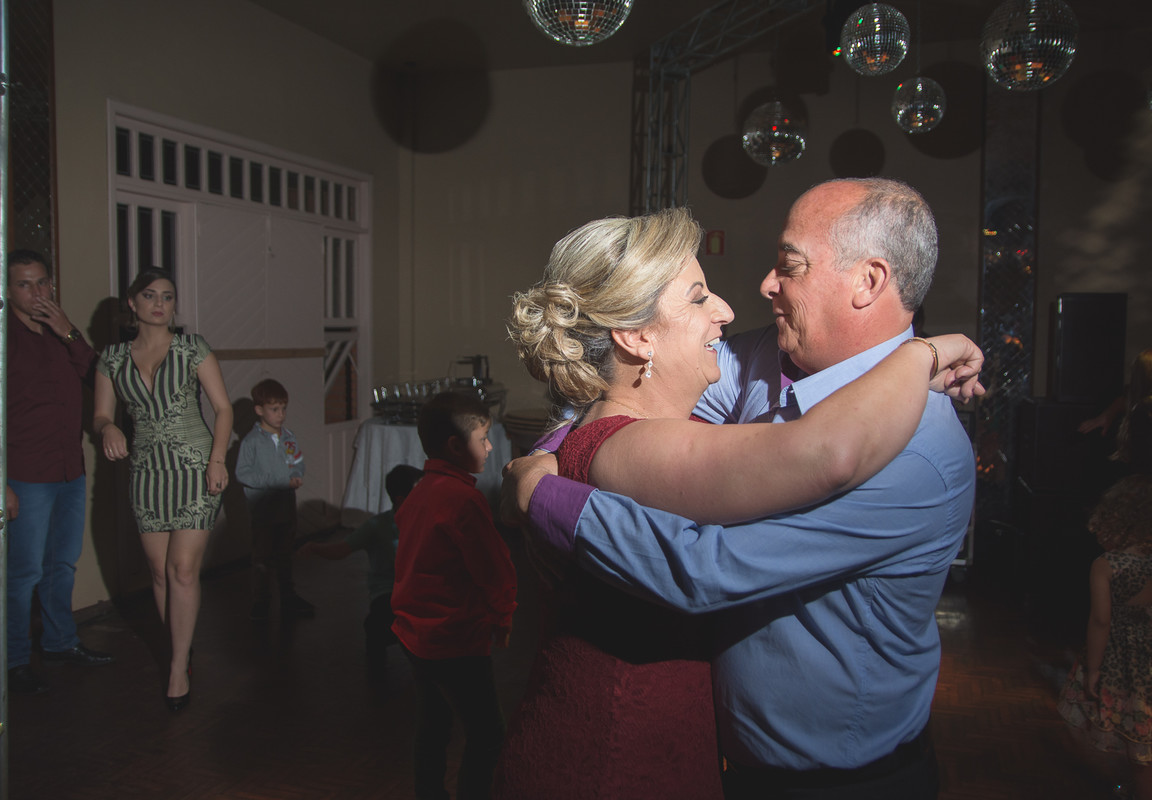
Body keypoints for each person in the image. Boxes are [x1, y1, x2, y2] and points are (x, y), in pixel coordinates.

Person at [504, 178, 980, 800]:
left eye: (790, 265)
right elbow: (623, 386)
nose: (760, 288)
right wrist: (558, 445)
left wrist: (546, 496)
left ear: (868, 281)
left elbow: (706, 568)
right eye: (701, 295)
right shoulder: (765, 360)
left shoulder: (915, 450)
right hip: (675, 743)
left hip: (835, 782)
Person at [0, 250, 116, 695]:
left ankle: (60, 642)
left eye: (43, 282)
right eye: (25, 285)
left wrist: (68, 331)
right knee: (22, 574)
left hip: (70, 470)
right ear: (7, 291)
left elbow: (100, 377)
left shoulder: (60, 334)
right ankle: (13, 661)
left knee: (61, 566)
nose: (37, 293)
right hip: (25, 474)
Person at [93, 267, 233, 712]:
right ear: (132, 303)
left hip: (196, 468)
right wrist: (108, 427)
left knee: (183, 571)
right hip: (147, 472)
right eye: (150, 295)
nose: (159, 304)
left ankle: (176, 667)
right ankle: (181, 647)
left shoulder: (193, 348)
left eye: (168, 296)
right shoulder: (111, 358)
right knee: (158, 574)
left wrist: (217, 461)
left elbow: (223, 409)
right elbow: (100, 415)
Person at [391, 392, 517, 800]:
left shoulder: (420, 491)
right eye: (483, 438)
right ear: (455, 446)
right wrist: (503, 615)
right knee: (488, 735)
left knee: (432, 726)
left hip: (416, 635)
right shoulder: (463, 500)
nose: (490, 447)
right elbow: (493, 567)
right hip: (455, 638)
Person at [1058, 349, 1152, 799]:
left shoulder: (1108, 566)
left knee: (1139, 749)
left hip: (1126, 668)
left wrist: (1093, 670)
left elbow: (1100, 621)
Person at [299, 463, 424, 679]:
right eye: (419, 493)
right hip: (388, 593)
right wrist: (315, 547)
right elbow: (342, 549)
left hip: (418, 591)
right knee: (380, 624)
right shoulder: (378, 526)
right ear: (400, 499)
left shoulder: (424, 521)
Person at [236, 377, 313, 621]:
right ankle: (261, 601)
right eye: (274, 409)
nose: (281, 415)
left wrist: (296, 474)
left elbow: (297, 462)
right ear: (260, 410)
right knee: (262, 558)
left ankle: (288, 596)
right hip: (264, 513)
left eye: (283, 409)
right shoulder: (251, 442)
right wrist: (278, 480)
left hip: (285, 510)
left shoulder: (288, 437)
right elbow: (243, 473)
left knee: (285, 555)